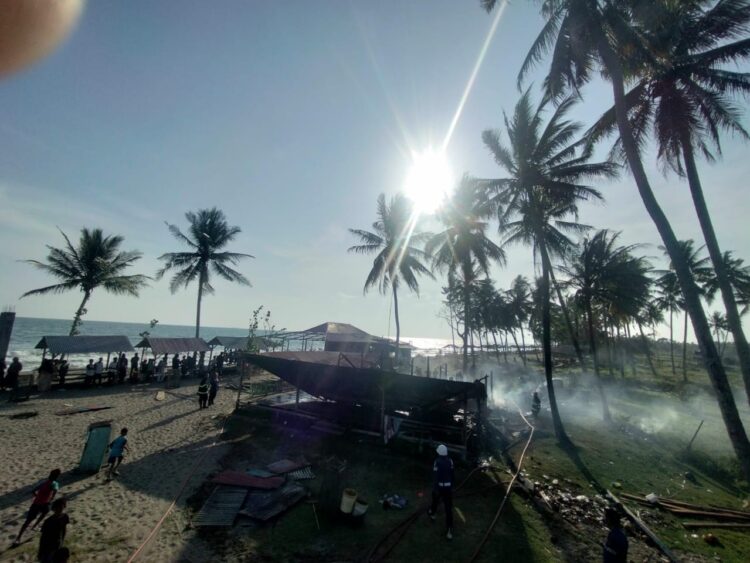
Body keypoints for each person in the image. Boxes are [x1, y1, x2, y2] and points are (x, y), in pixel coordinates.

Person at [14, 469, 61, 545]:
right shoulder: (55, 484)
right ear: (57, 477)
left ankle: (18, 538)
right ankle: (34, 526)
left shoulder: (44, 483)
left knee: (28, 521)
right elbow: (55, 490)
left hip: (36, 503)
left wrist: (38, 497)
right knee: (44, 513)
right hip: (44, 504)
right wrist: (51, 498)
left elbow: (33, 491)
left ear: (50, 475)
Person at [427, 444, 454, 540]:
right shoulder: (450, 461)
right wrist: (451, 486)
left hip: (439, 487)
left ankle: (433, 514)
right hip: (448, 489)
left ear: (439, 453)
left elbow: (435, 476)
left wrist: (435, 489)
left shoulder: (437, 462)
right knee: (448, 509)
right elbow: (452, 474)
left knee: (435, 500)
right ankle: (449, 530)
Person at [37, 498, 69, 563]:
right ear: (54, 509)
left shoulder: (65, 517)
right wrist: (40, 552)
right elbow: (43, 538)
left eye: (61, 507)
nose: (59, 510)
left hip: (57, 543)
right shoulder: (48, 521)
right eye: (57, 508)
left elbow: (64, 529)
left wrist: (62, 541)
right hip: (48, 546)